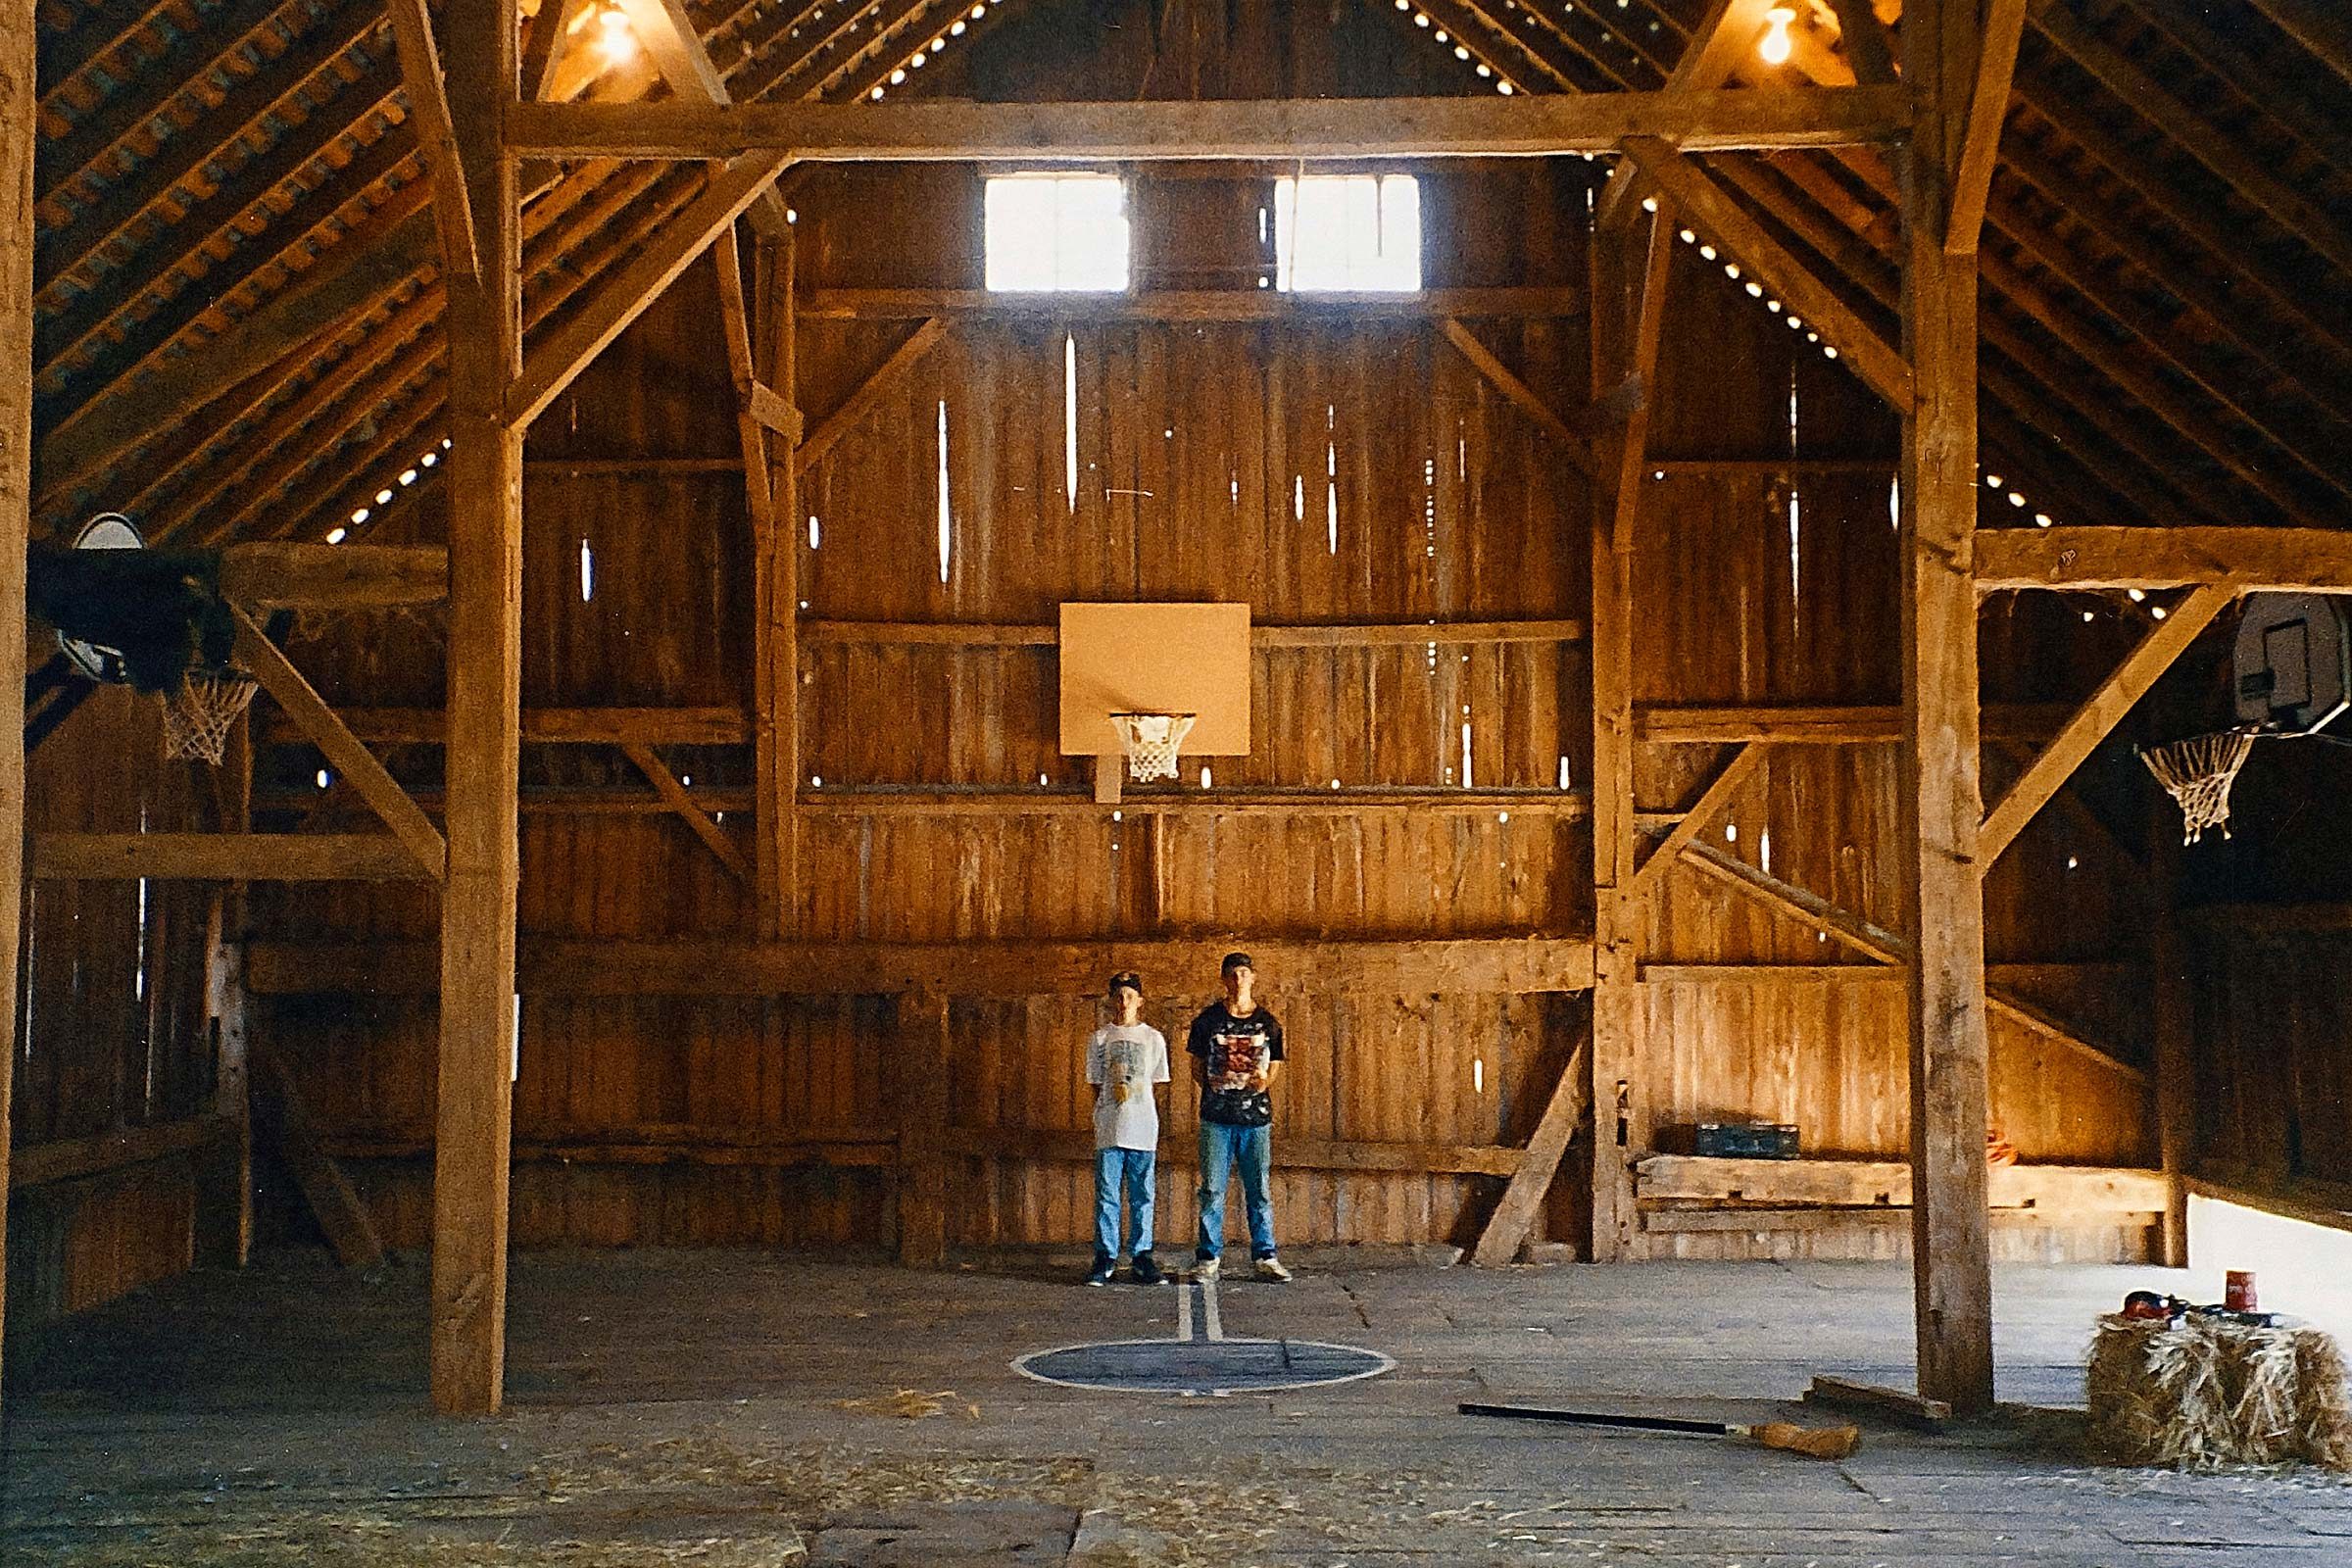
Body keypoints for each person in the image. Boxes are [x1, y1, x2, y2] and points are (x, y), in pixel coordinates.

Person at [1187, 953, 1291, 1282]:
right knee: (1212, 1189)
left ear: (1253, 977)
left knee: (1258, 1188)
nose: (1238, 980)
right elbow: (1196, 1065)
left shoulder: (1268, 1023)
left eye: (1244, 973)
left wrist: (1264, 1082)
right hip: (1216, 1118)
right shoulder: (1207, 1021)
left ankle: (1265, 1255)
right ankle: (1208, 1256)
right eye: (1232, 974)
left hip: (1256, 1119)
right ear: (1224, 979)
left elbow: (1275, 1064)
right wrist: (1217, 1084)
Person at [1085, 971, 1170, 1287]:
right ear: (1111, 1001)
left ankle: (1141, 1254)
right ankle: (1105, 1256)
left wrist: (1136, 1108)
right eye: (1118, 996)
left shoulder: (1153, 1038)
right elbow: (1095, 1083)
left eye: (1130, 996)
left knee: (1142, 1194)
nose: (1124, 1002)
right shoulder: (1099, 1038)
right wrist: (1110, 1109)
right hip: (1110, 1126)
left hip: (1143, 1126)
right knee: (1107, 1194)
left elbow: (1156, 1084)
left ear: (1140, 1001)